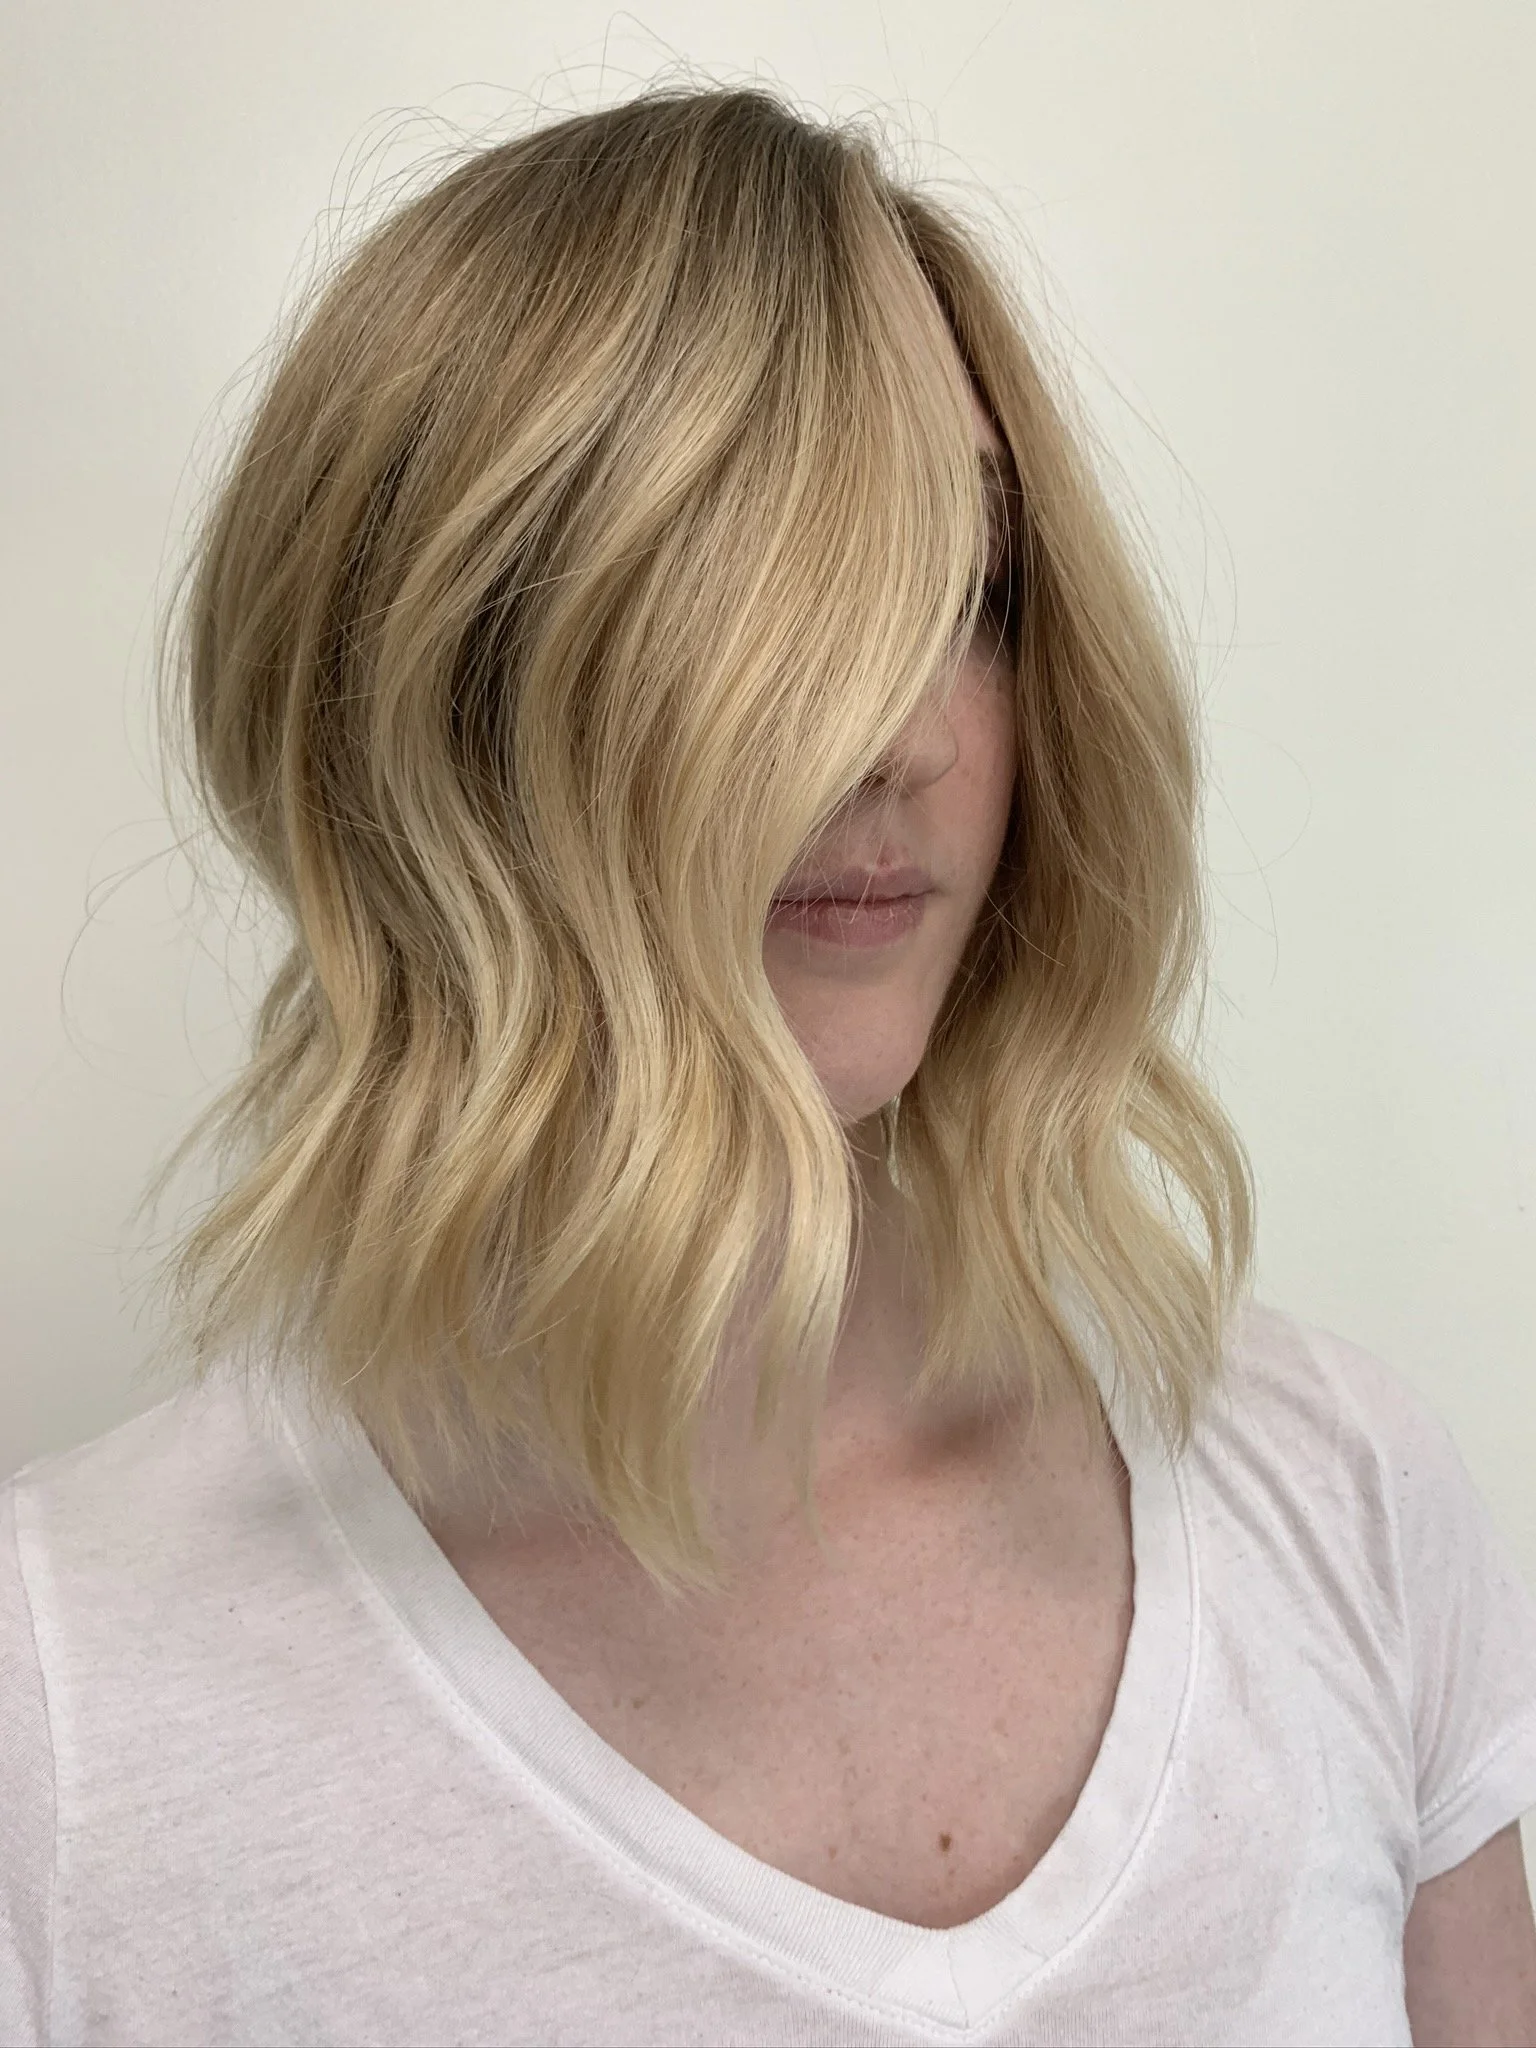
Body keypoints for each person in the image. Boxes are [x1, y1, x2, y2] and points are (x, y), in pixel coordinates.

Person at [3, 81, 1535, 2048]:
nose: (903, 734)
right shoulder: (69, 1726)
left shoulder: (1341, 1501)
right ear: (438, 686)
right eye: (751, 601)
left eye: (967, 589)